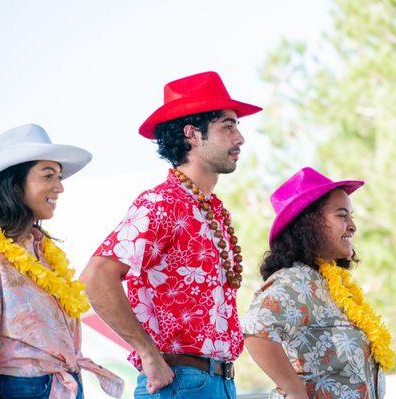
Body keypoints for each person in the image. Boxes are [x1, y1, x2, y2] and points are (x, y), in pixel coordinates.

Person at [80, 71, 262, 398]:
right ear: (192, 134)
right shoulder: (162, 203)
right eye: (228, 126)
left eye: (237, 127)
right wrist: (149, 355)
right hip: (179, 381)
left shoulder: (210, 208)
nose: (240, 138)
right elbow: (96, 276)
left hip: (217, 382)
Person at [0, 124, 124, 399]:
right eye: (48, 175)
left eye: (59, 176)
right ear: (14, 185)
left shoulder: (44, 252)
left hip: (63, 387)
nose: (60, 187)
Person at [242, 167, 393, 399]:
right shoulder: (296, 279)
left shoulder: (332, 285)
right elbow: (255, 328)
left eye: (351, 216)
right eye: (342, 215)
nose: (353, 226)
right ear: (309, 223)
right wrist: (294, 391)